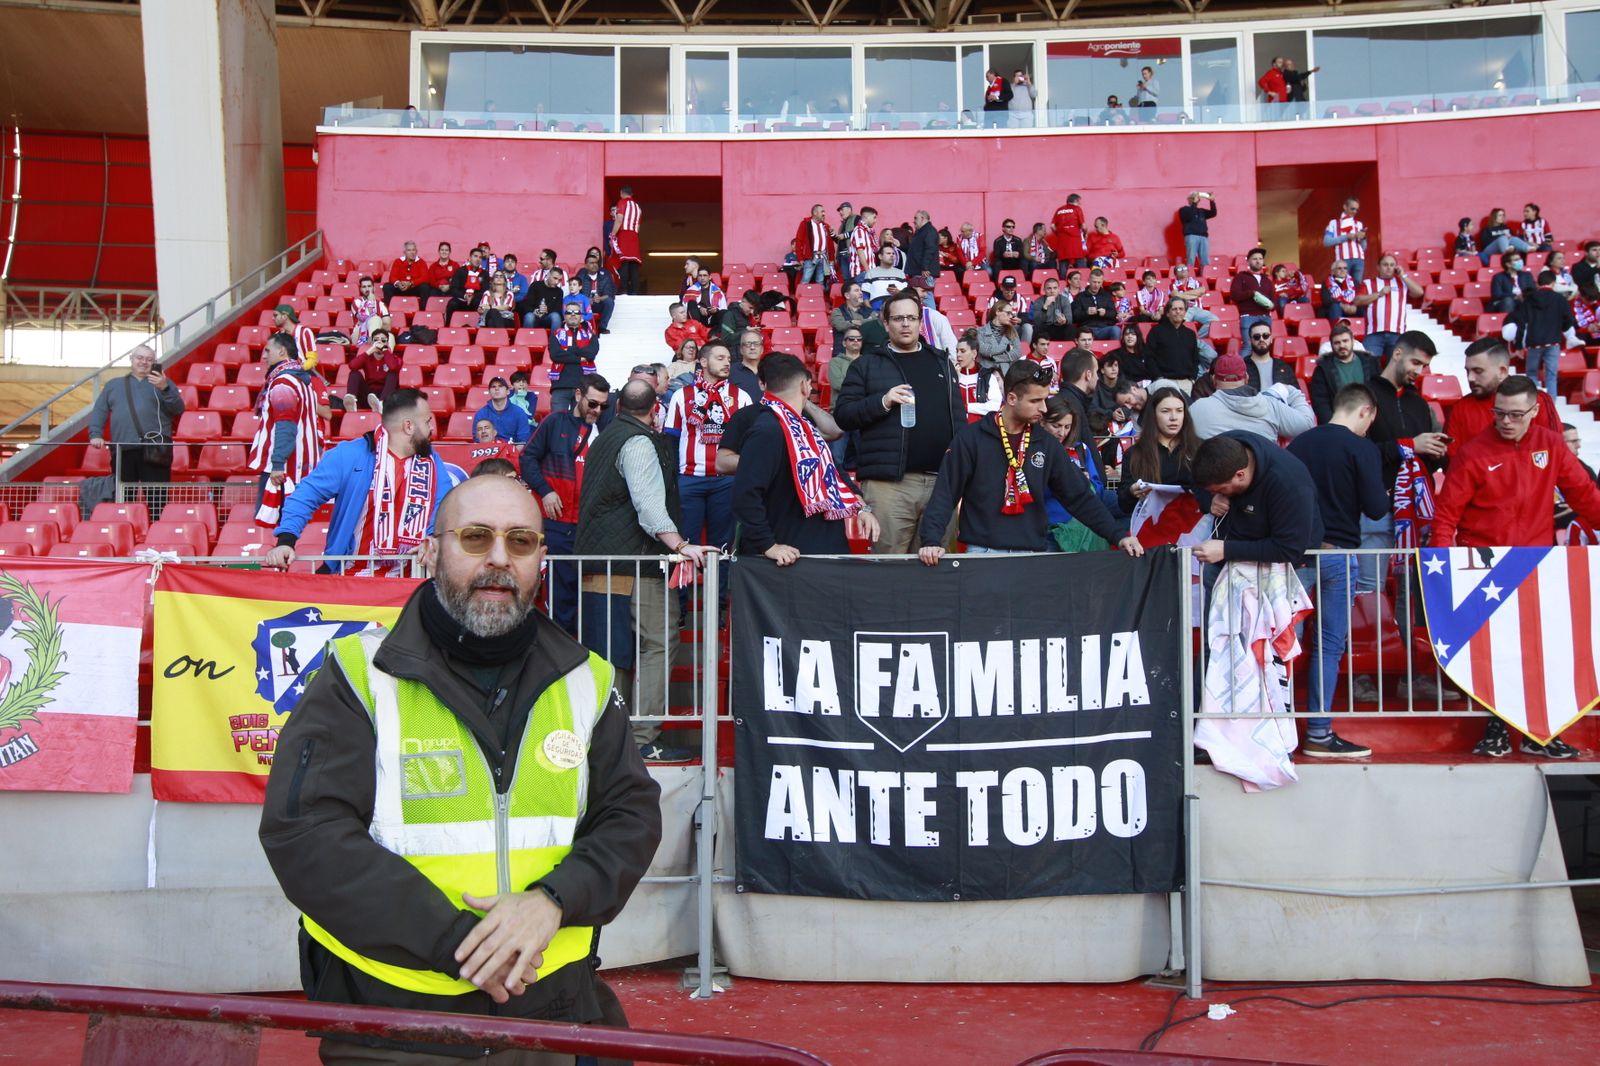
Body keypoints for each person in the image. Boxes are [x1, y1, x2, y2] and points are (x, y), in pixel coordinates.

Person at [259, 474, 662, 1065]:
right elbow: (306, 833)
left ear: (540, 559)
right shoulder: (357, 675)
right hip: (395, 1020)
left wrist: (552, 899)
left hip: (556, 1009)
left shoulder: (588, 680)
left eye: (521, 542)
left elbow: (629, 816)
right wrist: (463, 945)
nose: (499, 559)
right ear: (429, 552)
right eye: (476, 538)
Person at [1432, 375, 1600, 759]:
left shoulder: (1552, 445)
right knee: (1496, 653)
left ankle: (1538, 732)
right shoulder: (1474, 453)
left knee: (1540, 651)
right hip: (1485, 566)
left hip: (1536, 565)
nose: (1506, 421)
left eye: (1515, 415)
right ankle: (1495, 729)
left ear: (1535, 411)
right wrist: (1443, 567)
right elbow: (1446, 517)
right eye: (1499, 414)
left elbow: (1585, 497)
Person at [575, 379, 709, 764]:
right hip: (636, 565)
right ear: (656, 410)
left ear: (617, 407)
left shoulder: (604, 438)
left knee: (610, 654)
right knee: (658, 644)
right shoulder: (639, 443)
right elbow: (649, 506)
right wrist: (681, 546)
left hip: (598, 562)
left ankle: (610, 743)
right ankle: (642, 738)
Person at [918, 361, 1141, 562]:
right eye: (1036, 401)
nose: (1044, 408)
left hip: (1033, 553)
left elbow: (1079, 497)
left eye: (1044, 399)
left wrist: (1118, 535)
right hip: (983, 554)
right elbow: (946, 493)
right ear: (1012, 398)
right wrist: (931, 540)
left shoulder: (1046, 443)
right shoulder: (971, 439)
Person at [1284, 384, 1387, 758]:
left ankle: (1272, 729)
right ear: (1366, 412)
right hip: (1339, 555)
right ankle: (1319, 732)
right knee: (1328, 646)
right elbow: (1376, 508)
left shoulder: (1298, 445)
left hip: (1296, 554)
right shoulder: (1362, 448)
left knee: (1282, 646)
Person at [263, 389, 451, 576]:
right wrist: (286, 541)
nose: (432, 429)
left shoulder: (432, 462)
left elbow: (446, 508)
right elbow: (304, 496)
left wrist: (433, 538)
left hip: (411, 580)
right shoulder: (350, 455)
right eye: (427, 422)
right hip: (349, 578)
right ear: (408, 426)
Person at [835, 290, 966, 555]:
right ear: (885, 323)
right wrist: (882, 401)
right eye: (898, 318)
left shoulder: (941, 362)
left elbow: (958, 419)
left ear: (920, 321)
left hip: (941, 483)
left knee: (936, 568)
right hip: (889, 486)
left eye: (911, 317)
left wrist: (962, 472)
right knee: (888, 567)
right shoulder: (867, 365)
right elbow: (844, 415)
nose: (905, 324)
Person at [732, 353, 879, 563]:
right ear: (804, 386)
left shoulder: (804, 426)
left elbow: (835, 471)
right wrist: (768, 545)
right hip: (789, 558)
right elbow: (745, 494)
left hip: (823, 548)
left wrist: (861, 508)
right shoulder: (767, 429)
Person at [521, 374, 609, 636]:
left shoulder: (604, 429)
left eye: (603, 406)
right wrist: (546, 491)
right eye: (593, 404)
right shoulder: (554, 421)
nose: (598, 411)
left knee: (583, 597)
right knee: (557, 597)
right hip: (556, 523)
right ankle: (556, 652)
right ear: (578, 395)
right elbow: (527, 458)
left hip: (587, 526)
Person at [663, 339, 747, 608]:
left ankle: (718, 605)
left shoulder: (740, 397)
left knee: (721, 548)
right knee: (685, 545)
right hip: (689, 479)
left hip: (726, 481)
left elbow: (747, 440)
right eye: (720, 358)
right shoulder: (681, 396)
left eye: (728, 359)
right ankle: (681, 606)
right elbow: (671, 441)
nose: (727, 363)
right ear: (703, 361)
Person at [1192, 430, 1322, 567]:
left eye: (1220, 490)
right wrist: (1208, 500)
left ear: (1240, 475)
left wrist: (1226, 549)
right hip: (1223, 560)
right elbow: (1198, 478)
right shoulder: (1221, 447)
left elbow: (1288, 548)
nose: (1215, 493)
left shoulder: (1290, 484)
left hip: (1284, 569)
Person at [86, 343, 184, 516]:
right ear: (131, 360)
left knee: (157, 500)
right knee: (123, 499)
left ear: (154, 363)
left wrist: (165, 388)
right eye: (140, 358)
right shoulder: (113, 385)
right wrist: (95, 434)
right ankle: (124, 533)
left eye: (149, 359)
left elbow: (178, 409)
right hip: (123, 449)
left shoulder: (164, 384)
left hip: (156, 450)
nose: (144, 362)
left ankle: (157, 534)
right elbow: (100, 411)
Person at [248, 332, 326, 519]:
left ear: (282, 351)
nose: (264, 356)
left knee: (273, 524)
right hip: (297, 464)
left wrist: (277, 464)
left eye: (268, 351)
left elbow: (286, 426)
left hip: (283, 468)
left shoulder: (284, 382)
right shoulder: (302, 379)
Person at [1443, 338, 1562, 458]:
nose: (1470, 378)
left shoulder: (1538, 400)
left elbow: (1555, 453)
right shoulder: (1459, 409)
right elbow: (1454, 462)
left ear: (1502, 371)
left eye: (1478, 371)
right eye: (1467, 371)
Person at [1190, 352, 1314, 441]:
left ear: (1213, 379)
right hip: (1262, 474)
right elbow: (1307, 424)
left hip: (1214, 475)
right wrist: (1292, 392)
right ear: (1247, 378)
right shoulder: (1270, 404)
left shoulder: (1197, 409)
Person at [1118, 386, 1200, 516]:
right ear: (1153, 415)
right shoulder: (1135, 454)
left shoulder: (1200, 449)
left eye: (1179, 411)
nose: (1174, 417)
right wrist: (1132, 492)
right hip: (1151, 526)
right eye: (1166, 411)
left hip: (1195, 525)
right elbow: (1124, 504)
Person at [1512, 270, 1577, 396]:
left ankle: (1535, 400)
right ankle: (1551, 404)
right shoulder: (1559, 299)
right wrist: (1561, 328)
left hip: (1534, 342)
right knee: (1551, 376)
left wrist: (1518, 345)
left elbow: (1521, 324)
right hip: (1553, 341)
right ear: (1553, 283)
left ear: (1538, 283)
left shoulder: (1529, 299)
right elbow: (1569, 319)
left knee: (1531, 373)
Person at [1353, 254, 1423, 365]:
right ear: (1378, 267)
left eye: (1392, 265)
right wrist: (1379, 294)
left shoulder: (1402, 283)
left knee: (1396, 369)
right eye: (1385, 265)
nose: (1389, 267)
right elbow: (1357, 300)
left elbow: (1419, 292)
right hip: (1374, 334)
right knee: (1368, 366)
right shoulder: (1368, 283)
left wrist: (1403, 275)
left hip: (1397, 334)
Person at [1308, 322, 1378, 423]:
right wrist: (1334, 425)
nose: (1342, 345)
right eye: (1337, 343)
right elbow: (1320, 403)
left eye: (1345, 341)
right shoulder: (1322, 370)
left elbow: (1378, 393)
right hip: (1339, 423)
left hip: (1369, 421)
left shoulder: (1370, 363)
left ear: (1353, 341)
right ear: (1331, 345)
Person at [548, 302, 599, 415]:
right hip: (561, 385)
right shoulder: (556, 334)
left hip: (583, 386)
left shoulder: (590, 334)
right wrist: (580, 358)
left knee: (579, 422)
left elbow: (591, 354)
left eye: (576, 312)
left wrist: (569, 350)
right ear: (564, 315)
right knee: (558, 421)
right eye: (569, 312)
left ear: (581, 315)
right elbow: (555, 355)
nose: (573, 315)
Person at [1145, 296, 1203, 392]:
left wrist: (1192, 379)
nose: (1178, 312)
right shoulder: (1156, 331)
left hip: (1186, 383)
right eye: (1174, 309)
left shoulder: (1190, 334)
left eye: (1181, 309)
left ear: (1185, 312)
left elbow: (1195, 359)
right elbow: (1149, 357)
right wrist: (1159, 378)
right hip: (1164, 382)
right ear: (1168, 313)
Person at [343, 327, 401, 414]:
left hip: (386, 396)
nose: (379, 343)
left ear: (387, 343)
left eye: (383, 340)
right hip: (370, 397)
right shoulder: (367, 357)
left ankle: (381, 404)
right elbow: (352, 366)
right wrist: (370, 351)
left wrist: (385, 350)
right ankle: (351, 402)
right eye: (376, 340)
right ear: (372, 342)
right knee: (354, 373)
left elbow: (393, 367)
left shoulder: (394, 359)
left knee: (393, 374)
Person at [953, 329, 1003, 422]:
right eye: (957, 351)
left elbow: (994, 406)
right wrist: (955, 379)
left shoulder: (987, 377)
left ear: (974, 353)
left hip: (980, 430)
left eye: (962, 351)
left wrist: (967, 407)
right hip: (956, 429)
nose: (958, 355)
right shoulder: (951, 375)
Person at [1229, 247, 1275, 340]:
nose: (1258, 261)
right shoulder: (1240, 277)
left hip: (1265, 317)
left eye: (1260, 259)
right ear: (1248, 261)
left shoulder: (1267, 280)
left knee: (1264, 347)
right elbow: (1234, 295)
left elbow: (1274, 300)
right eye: (1254, 259)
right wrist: (1252, 293)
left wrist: (1271, 305)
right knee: (1248, 346)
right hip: (1248, 317)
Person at [474, 376, 533, 445]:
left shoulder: (519, 413)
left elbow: (522, 442)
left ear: (508, 391)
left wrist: (510, 455)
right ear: (489, 392)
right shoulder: (481, 414)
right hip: (487, 452)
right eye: (493, 387)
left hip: (511, 452)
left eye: (500, 386)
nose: (496, 389)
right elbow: (477, 441)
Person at [1323, 197, 1368, 286]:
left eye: (1357, 210)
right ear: (1345, 207)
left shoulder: (1359, 224)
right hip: (1342, 259)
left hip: (1359, 259)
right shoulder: (1334, 223)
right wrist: (1346, 237)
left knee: (1357, 287)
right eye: (1352, 208)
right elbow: (1326, 242)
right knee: (1342, 285)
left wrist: (1363, 238)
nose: (1354, 211)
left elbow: (1363, 248)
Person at [1243, 320, 1297, 391]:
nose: (1261, 339)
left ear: (1271, 339)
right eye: (1257, 337)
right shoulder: (1242, 367)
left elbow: (1296, 393)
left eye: (1265, 336)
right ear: (1250, 341)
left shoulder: (1283, 366)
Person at [573, 250, 617, 334]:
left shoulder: (605, 276)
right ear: (586, 266)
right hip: (585, 304)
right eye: (591, 263)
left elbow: (609, 294)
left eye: (596, 263)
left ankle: (602, 327)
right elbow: (574, 291)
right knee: (577, 301)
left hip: (598, 304)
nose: (594, 265)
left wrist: (600, 298)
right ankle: (581, 327)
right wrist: (586, 299)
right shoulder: (581, 276)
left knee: (610, 302)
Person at [795, 203, 835, 288]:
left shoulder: (826, 226)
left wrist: (831, 258)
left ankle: (819, 299)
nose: (824, 213)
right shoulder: (805, 224)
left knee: (820, 281)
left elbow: (830, 244)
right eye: (822, 211)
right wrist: (800, 258)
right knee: (805, 280)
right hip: (810, 257)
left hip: (823, 257)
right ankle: (801, 298)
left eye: (824, 211)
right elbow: (798, 241)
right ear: (815, 213)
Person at [1073, 267, 1118, 340]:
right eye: (1094, 282)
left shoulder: (1107, 296)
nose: (1096, 285)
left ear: (1102, 282)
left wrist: (1105, 313)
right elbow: (1075, 316)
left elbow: (1114, 314)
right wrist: (1086, 312)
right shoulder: (1080, 297)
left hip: (1104, 328)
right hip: (1087, 329)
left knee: (1116, 330)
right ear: (1089, 280)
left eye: (1099, 282)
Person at [1488, 250, 1537, 316]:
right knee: (1508, 301)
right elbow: (1497, 295)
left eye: (1520, 259)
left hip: (1523, 300)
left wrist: (1523, 296)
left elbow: (1532, 290)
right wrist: (1515, 296)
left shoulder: (1527, 275)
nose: (1520, 261)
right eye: (1516, 260)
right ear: (1508, 264)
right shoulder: (1498, 277)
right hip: (1506, 302)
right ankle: (1508, 323)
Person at [614, 185, 643, 294]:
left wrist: (613, 234)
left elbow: (619, 219)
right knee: (633, 265)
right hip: (634, 236)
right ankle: (635, 291)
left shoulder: (622, 202)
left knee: (624, 262)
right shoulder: (638, 207)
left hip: (624, 234)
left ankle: (623, 289)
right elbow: (638, 226)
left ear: (622, 193)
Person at [1049, 194, 1087, 271]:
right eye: (1079, 202)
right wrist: (1085, 234)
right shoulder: (1077, 209)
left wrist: (1059, 234)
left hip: (1062, 241)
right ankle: (1083, 281)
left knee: (1063, 262)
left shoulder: (1059, 210)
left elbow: (1052, 226)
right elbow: (1083, 226)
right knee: (1080, 261)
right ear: (1076, 201)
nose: (1080, 204)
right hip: (1075, 240)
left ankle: (1062, 281)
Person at [1032, 275, 1074, 342]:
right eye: (1049, 288)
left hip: (1060, 327)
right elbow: (1037, 322)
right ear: (1044, 290)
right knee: (1037, 328)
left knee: (1070, 328)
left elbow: (1069, 318)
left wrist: (1065, 321)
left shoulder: (1064, 300)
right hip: (1045, 328)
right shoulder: (1038, 301)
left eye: (1055, 288)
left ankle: (1069, 349)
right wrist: (1045, 306)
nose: (1052, 291)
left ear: (1058, 289)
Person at [350, 275, 389, 346]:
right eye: (364, 287)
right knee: (375, 319)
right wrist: (370, 301)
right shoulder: (357, 302)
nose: (367, 289)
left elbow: (387, 325)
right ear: (360, 289)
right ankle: (374, 343)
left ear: (374, 288)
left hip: (378, 335)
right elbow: (362, 317)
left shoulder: (381, 304)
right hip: (359, 334)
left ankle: (374, 342)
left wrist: (375, 327)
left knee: (391, 337)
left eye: (369, 286)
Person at [905, 209, 940, 280]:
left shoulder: (930, 231)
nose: (913, 221)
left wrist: (925, 268)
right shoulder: (920, 232)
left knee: (925, 291)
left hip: (924, 273)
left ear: (923, 218)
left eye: (916, 218)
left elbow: (930, 249)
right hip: (918, 272)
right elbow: (914, 249)